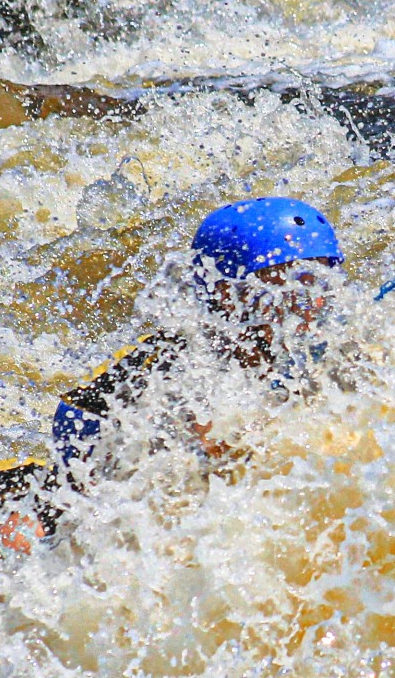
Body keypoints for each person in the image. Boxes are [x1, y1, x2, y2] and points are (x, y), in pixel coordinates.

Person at [51, 196, 343, 476]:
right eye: (296, 283)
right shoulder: (181, 365)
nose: (313, 302)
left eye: (319, 281)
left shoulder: (322, 347)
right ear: (229, 293)